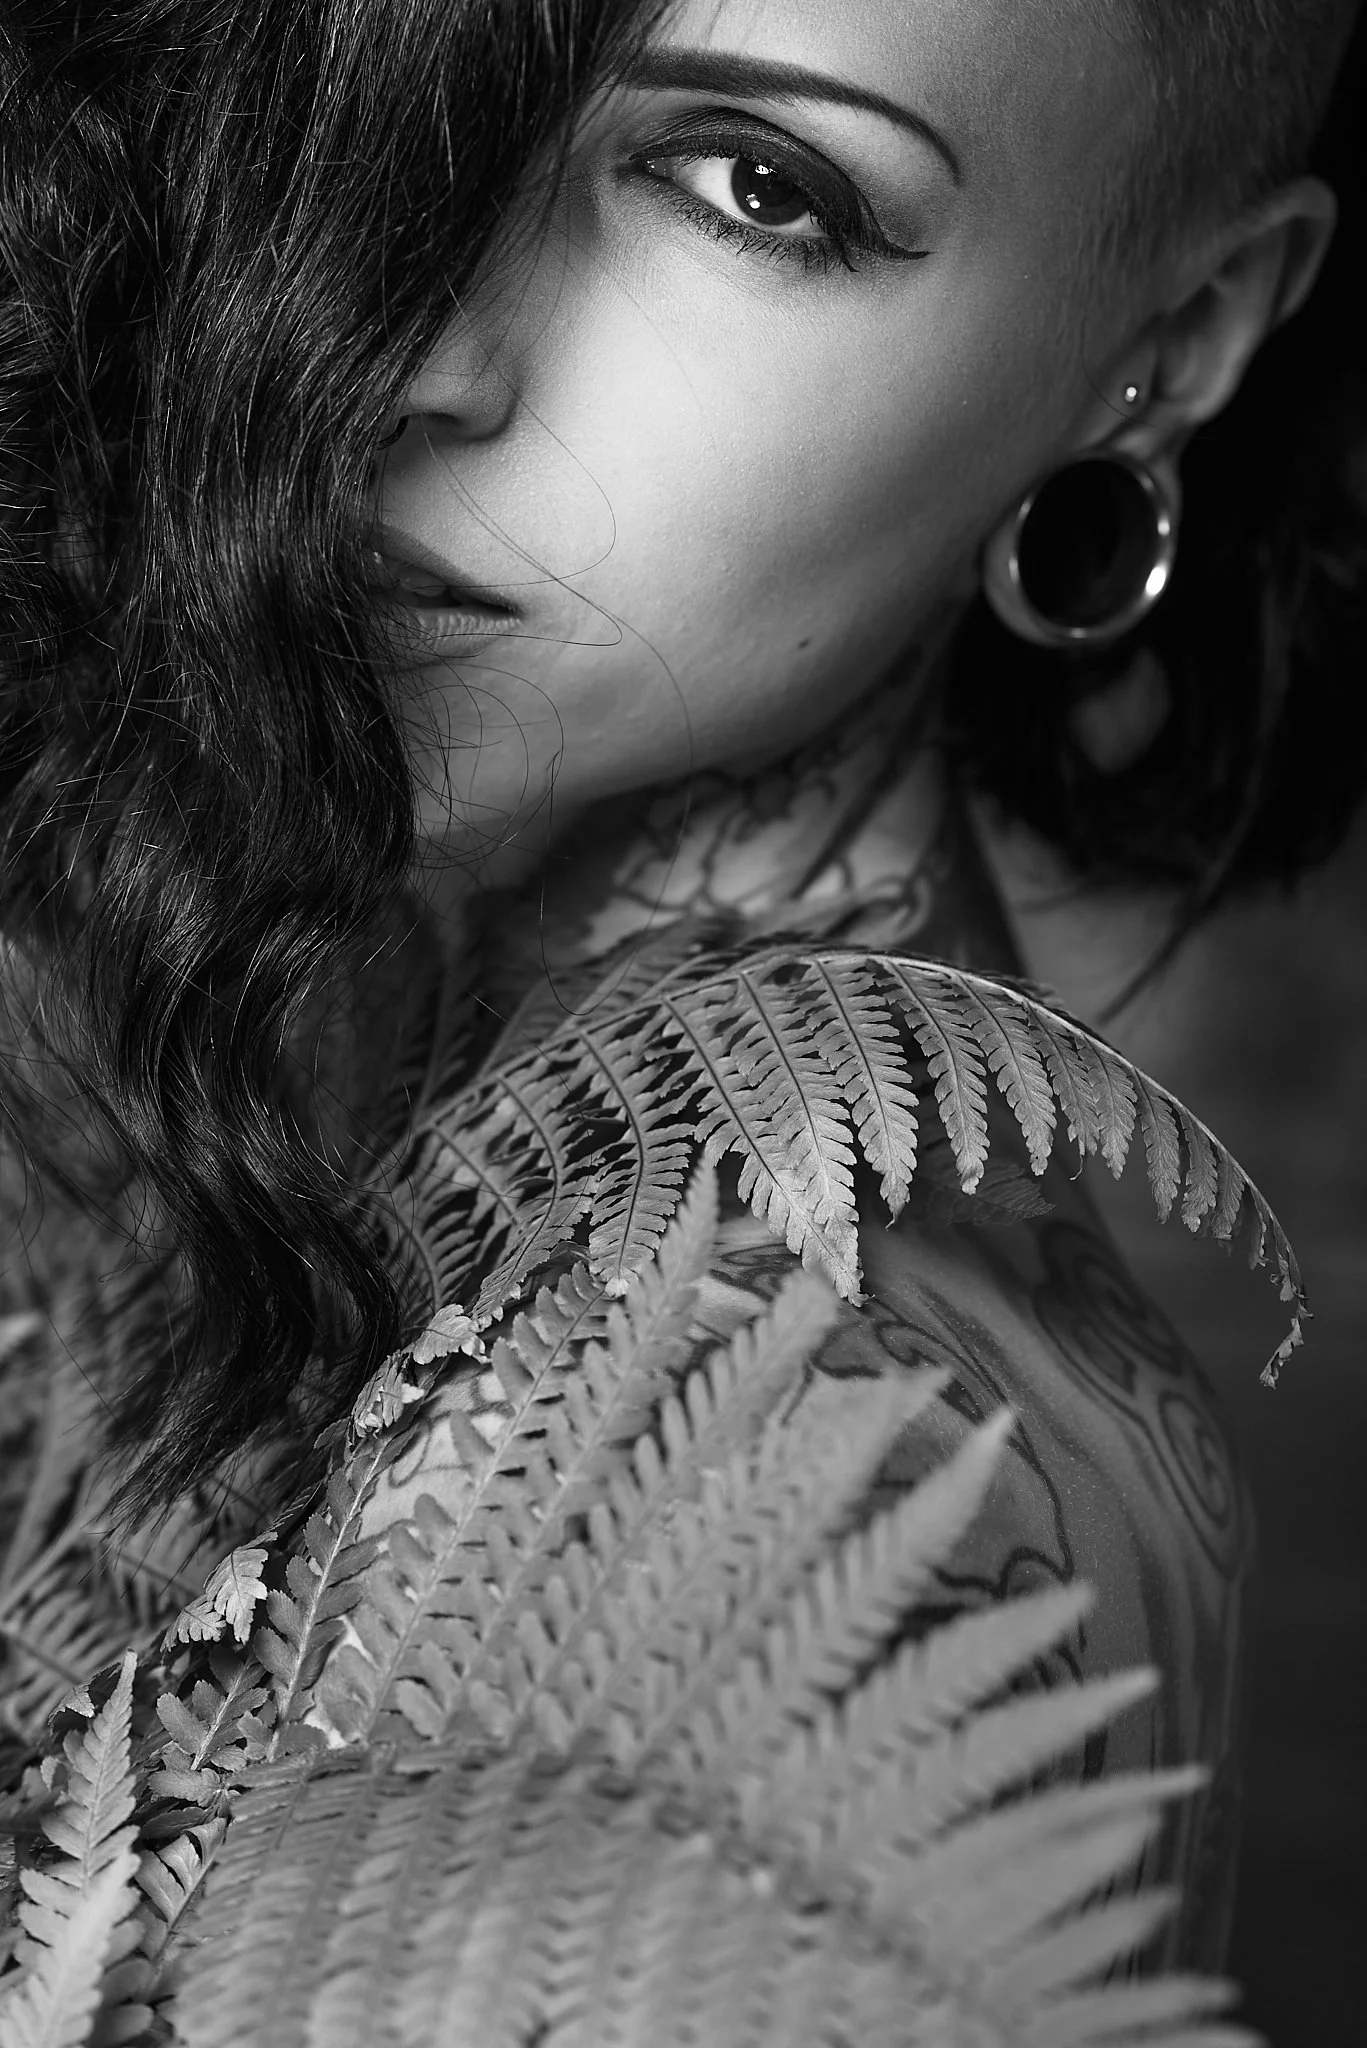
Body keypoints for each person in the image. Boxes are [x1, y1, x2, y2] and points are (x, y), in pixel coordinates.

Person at [1, 0, 1363, 1993]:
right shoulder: (242, 992)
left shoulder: (815, 1462)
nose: (416, 359)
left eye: (756, 185)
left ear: (1169, 345)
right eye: (396, 82)